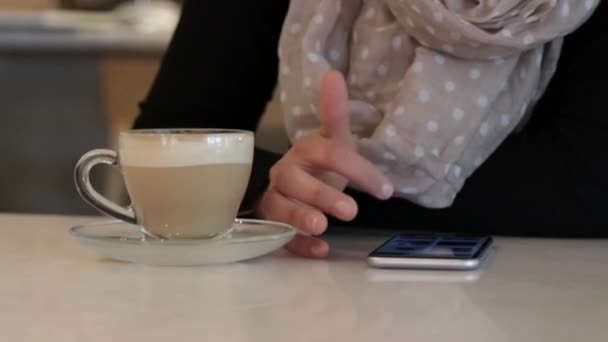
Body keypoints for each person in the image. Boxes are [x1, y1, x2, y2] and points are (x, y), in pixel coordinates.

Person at [134, 0, 607, 258]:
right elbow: (164, 140)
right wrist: (264, 195)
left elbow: (588, 191)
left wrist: (345, 197)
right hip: (311, 300)